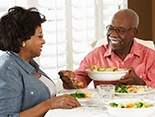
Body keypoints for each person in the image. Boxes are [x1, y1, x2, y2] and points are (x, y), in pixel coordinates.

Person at [0, 6, 80, 117]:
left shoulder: (28, 63)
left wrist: (69, 86)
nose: (43, 41)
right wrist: (48, 105)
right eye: (40, 36)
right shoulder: (8, 70)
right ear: (21, 40)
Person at [59, 8, 155, 89]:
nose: (112, 34)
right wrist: (71, 80)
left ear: (133, 32)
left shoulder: (150, 56)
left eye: (120, 30)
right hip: (104, 108)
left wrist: (139, 83)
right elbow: (80, 79)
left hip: (140, 108)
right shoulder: (96, 55)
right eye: (110, 28)